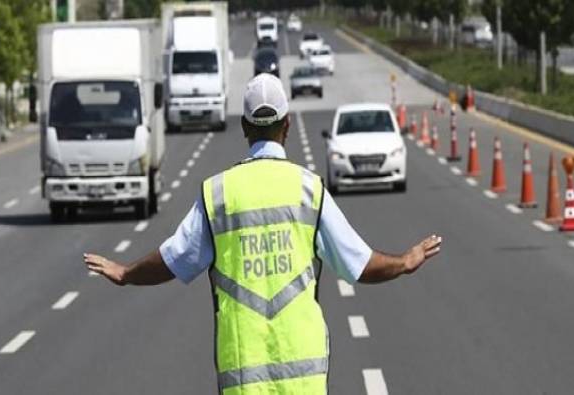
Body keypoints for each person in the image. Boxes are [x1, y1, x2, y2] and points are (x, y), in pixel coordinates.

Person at [84, 73, 442, 394]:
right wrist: (405, 261)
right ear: (286, 126)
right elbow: (359, 265)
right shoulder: (309, 190)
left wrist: (126, 273)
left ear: (244, 127)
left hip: (243, 375)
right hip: (305, 375)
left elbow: (174, 259)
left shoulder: (219, 194)